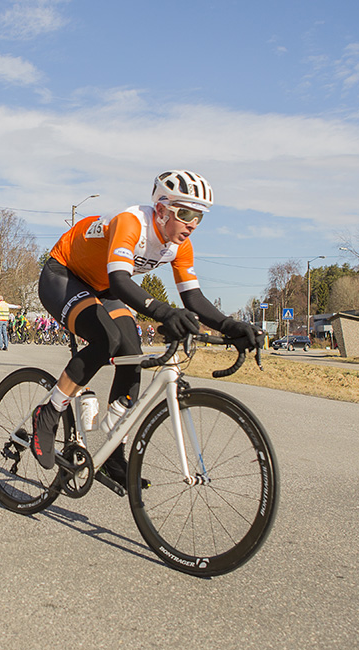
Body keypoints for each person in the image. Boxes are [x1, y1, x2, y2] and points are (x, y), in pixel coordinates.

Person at [31, 170, 259, 486]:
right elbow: (120, 281)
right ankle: (49, 410)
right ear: (162, 209)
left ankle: (113, 454)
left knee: (132, 351)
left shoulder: (180, 245)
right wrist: (164, 312)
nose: (193, 223)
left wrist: (231, 326)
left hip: (103, 286)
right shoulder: (131, 223)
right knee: (107, 339)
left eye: (199, 217)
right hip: (65, 275)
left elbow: (193, 298)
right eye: (186, 214)